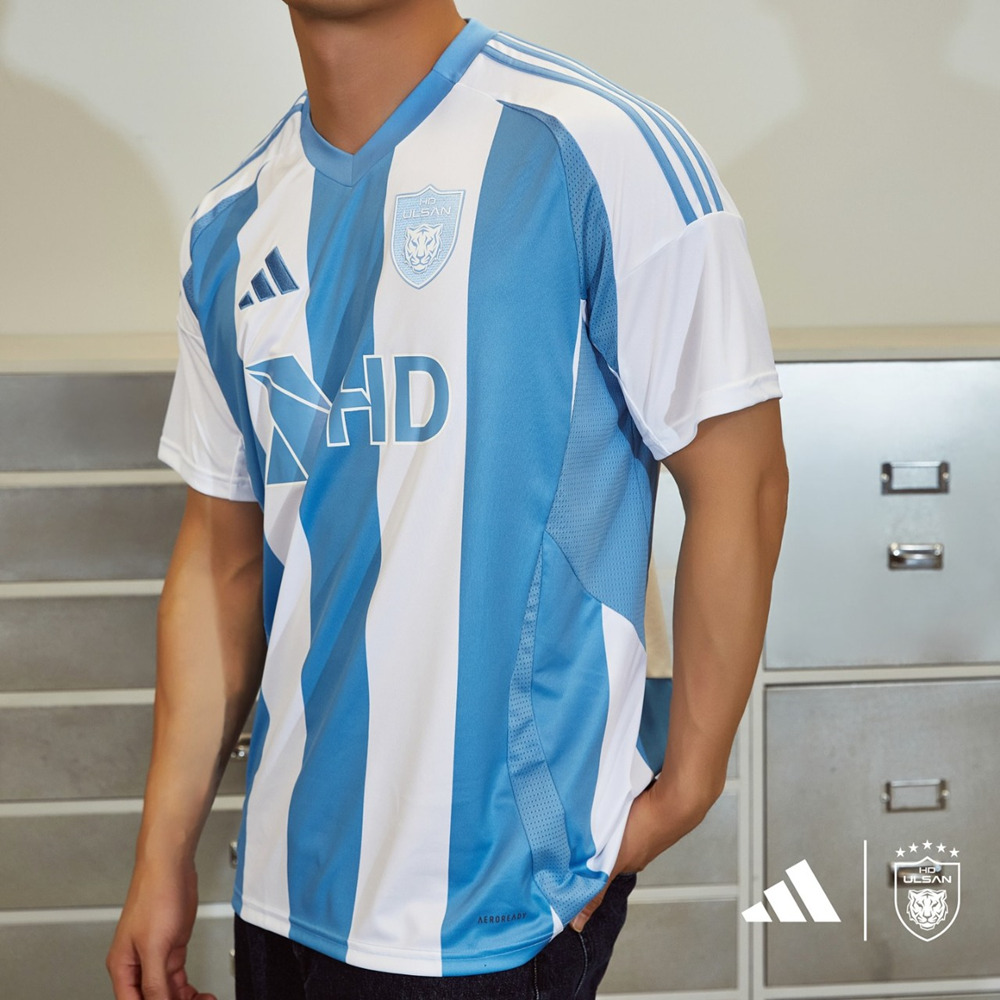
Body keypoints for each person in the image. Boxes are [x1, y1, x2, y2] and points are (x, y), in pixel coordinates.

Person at [106, 1, 789, 997]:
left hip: (499, 907)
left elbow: (742, 478)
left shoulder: (597, 148)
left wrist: (686, 786)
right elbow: (225, 557)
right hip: (284, 898)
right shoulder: (231, 224)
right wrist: (162, 853)